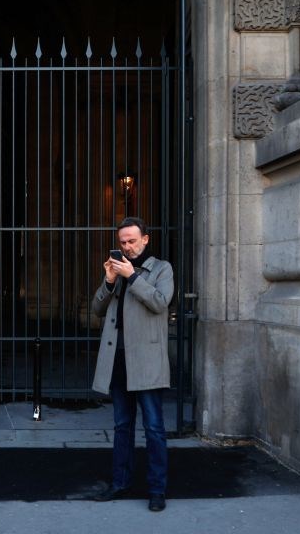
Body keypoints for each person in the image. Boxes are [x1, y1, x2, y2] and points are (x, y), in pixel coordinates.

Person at [90, 216, 174, 512]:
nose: (127, 247)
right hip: (118, 360)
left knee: (153, 427)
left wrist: (133, 278)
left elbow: (161, 302)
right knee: (122, 425)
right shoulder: (117, 271)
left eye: (132, 241)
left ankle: (157, 490)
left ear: (146, 239)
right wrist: (110, 280)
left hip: (148, 361)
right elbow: (97, 309)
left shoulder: (162, 268)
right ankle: (120, 482)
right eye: (122, 242)